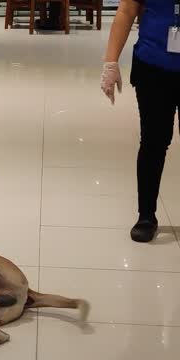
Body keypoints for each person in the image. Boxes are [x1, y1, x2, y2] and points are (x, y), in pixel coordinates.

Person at [101, 0, 180, 242]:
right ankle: (146, 215)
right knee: (154, 142)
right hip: (153, 65)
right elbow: (127, 9)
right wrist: (111, 62)